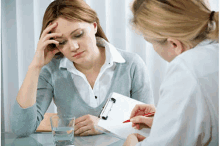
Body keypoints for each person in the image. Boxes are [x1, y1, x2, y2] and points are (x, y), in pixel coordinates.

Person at [10, 0, 153, 137]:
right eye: (62, 42)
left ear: (94, 26)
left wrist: (105, 125)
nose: (73, 47)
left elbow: (147, 125)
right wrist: (35, 66)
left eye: (78, 35)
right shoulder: (51, 70)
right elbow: (22, 129)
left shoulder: (131, 64)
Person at [123, 0, 219, 145]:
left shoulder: (187, 68)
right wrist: (168, 117)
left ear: (174, 44)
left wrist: (131, 141)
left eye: (151, 43)